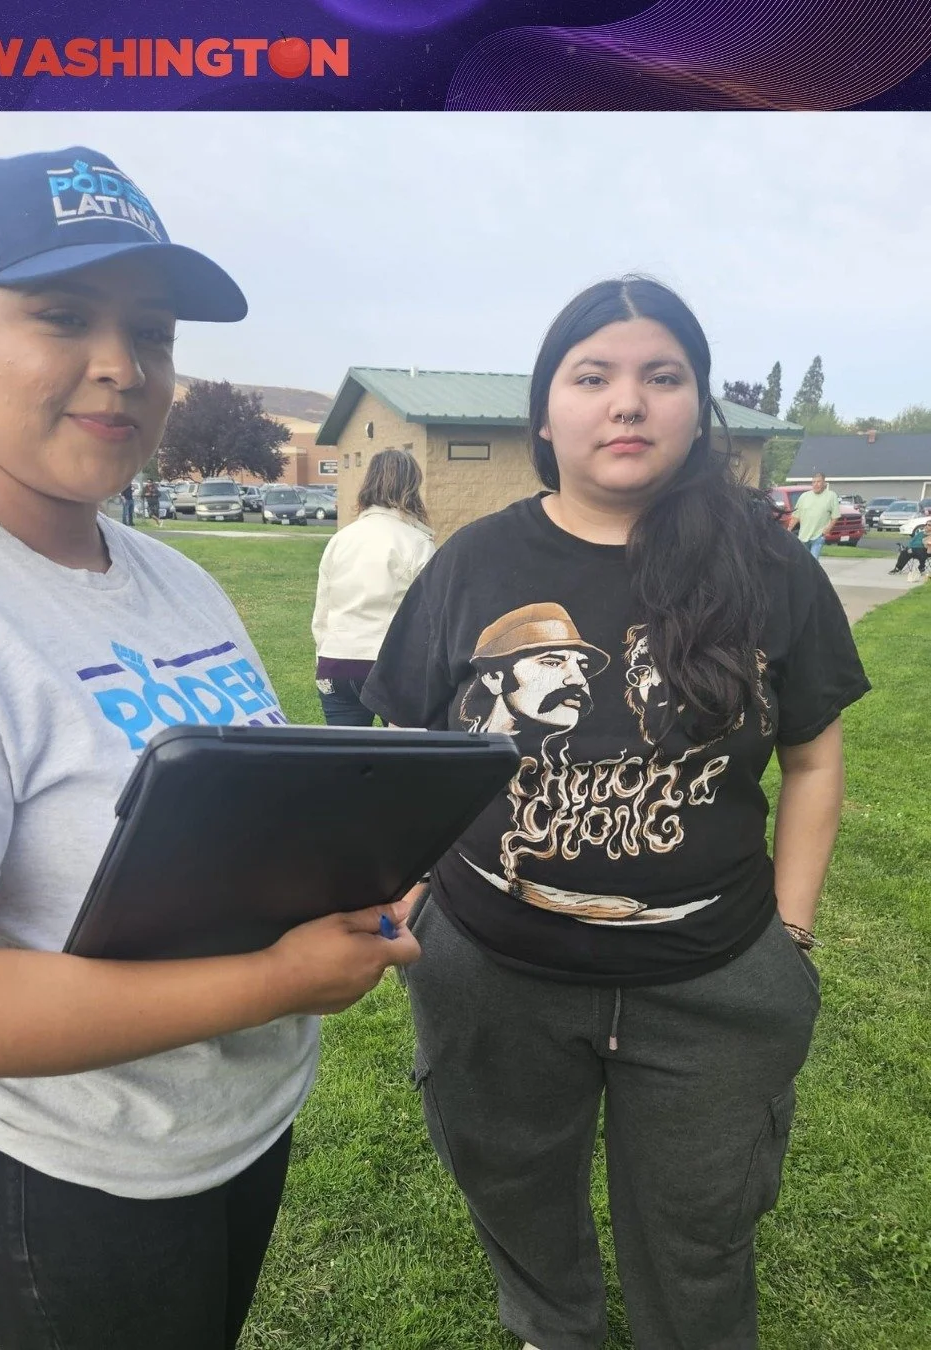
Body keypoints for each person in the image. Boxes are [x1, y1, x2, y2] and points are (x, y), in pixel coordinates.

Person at [0, 146, 419, 1350]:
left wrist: (361, 870)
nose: (124, 365)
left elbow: (251, 817)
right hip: (70, 1177)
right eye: (63, 315)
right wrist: (281, 982)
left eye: (152, 331)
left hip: (229, 1130)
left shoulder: (175, 578)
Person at [363, 277, 870, 1350]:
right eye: (592, 376)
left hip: (715, 980)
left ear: (698, 408)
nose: (628, 401)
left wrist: (791, 932)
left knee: (702, 1240)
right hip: (491, 973)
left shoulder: (768, 563)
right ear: (546, 414)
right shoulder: (473, 563)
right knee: (519, 1205)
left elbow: (814, 759)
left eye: (662, 376)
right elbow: (405, 746)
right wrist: (403, 896)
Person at [311, 448, 434, 726]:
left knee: (347, 752)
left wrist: (326, 653)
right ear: (411, 487)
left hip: (335, 662)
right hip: (390, 665)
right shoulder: (418, 543)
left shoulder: (340, 540)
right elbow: (429, 618)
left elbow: (322, 613)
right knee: (402, 752)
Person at [790, 472, 840, 559]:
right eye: (814, 482)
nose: (816, 484)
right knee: (803, 561)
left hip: (818, 536)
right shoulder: (804, 496)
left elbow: (835, 516)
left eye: (819, 482)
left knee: (813, 561)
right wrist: (788, 530)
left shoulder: (831, 496)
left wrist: (827, 529)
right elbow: (796, 516)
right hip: (803, 536)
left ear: (824, 483)